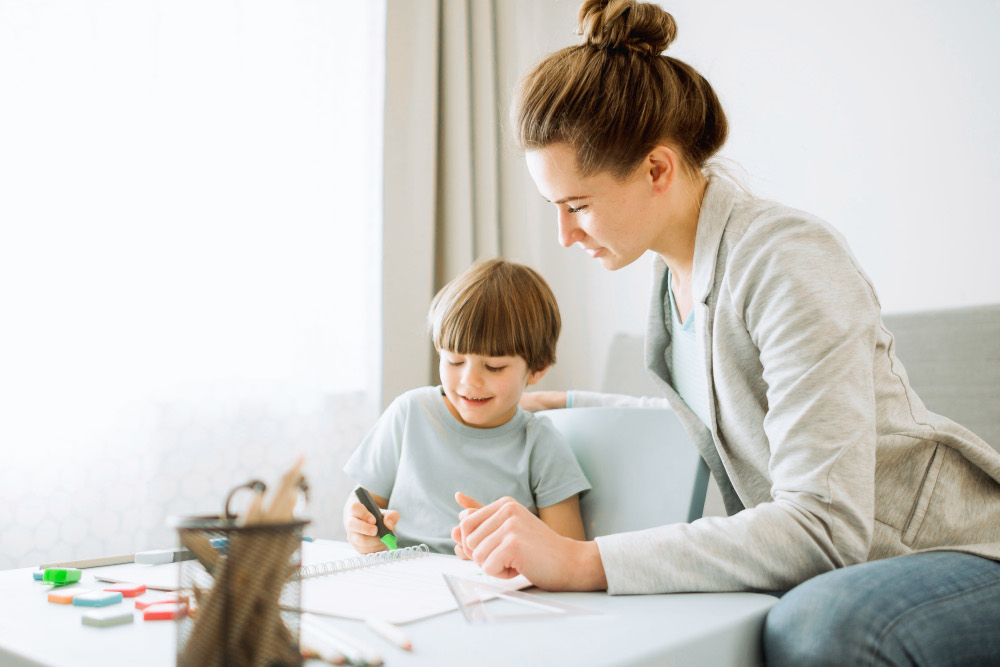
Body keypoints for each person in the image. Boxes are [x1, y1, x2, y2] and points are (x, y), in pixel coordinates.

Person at [450, 1, 1000, 663]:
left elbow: (824, 526)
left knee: (821, 623)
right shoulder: (669, 284)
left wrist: (584, 559)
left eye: (578, 206)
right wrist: (564, 404)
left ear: (657, 169)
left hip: (956, 552)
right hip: (859, 561)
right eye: (554, 208)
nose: (564, 236)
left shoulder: (787, 259)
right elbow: (734, 414)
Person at [342, 258, 590, 555]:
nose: (469, 381)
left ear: (537, 369)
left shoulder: (541, 444)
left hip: (488, 586)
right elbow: (361, 503)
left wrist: (507, 550)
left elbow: (570, 551)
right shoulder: (408, 413)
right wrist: (361, 529)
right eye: (455, 361)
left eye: (494, 367)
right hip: (401, 575)